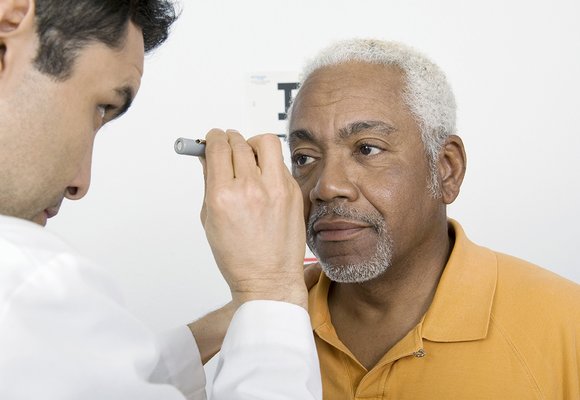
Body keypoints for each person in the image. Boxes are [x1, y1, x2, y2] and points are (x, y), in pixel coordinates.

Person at [0, 1, 321, 399]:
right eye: (100, 106)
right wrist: (271, 290)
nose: (80, 183)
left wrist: (242, 312)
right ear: (8, 29)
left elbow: (95, 379)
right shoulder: (23, 279)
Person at [287, 38, 580, 399]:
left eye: (367, 148)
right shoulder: (266, 329)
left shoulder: (568, 325)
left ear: (446, 170)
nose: (326, 186)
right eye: (304, 157)